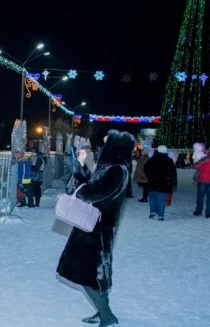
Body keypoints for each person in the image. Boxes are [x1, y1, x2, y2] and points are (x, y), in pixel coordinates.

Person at [56, 130, 135, 327]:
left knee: (89, 276)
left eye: (108, 143)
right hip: (90, 226)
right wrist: (81, 167)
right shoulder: (110, 168)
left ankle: (107, 316)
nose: (104, 146)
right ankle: (103, 313)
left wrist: (80, 177)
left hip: (97, 231)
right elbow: (88, 185)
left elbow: (91, 193)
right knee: (93, 275)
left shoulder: (117, 170)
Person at [143, 145, 177, 221]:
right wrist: (174, 182)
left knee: (152, 198)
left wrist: (150, 176)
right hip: (165, 184)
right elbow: (173, 173)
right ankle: (160, 215)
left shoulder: (152, 160)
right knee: (162, 199)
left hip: (153, 182)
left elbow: (145, 169)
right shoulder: (169, 161)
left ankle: (153, 212)